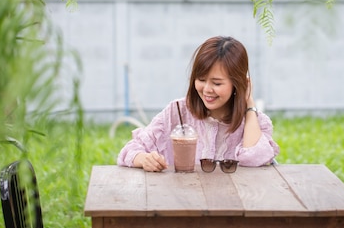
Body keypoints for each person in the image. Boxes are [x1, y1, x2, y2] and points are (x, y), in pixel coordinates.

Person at [117, 36, 279, 172]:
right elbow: (129, 151)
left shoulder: (255, 122)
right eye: (201, 80)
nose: (207, 89)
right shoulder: (177, 111)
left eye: (216, 83)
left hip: (236, 206)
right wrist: (145, 159)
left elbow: (255, 158)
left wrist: (249, 104)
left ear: (238, 84)